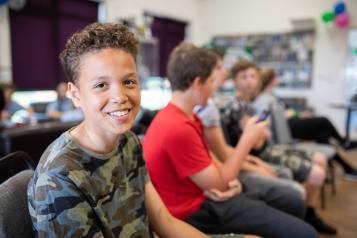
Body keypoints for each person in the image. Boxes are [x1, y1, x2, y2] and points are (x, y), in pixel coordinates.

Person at [27, 22, 210, 238]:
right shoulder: (59, 178)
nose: (120, 97)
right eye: (101, 85)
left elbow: (163, 220)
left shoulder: (128, 141)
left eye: (129, 81)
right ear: (75, 95)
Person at [143, 43, 318, 238]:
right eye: (211, 81)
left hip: (206, 196)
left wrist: (230, 183)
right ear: (197, 83)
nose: (213, 88)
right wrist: (247, 140)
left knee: (292, 201)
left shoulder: (187, 117)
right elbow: (218, 184)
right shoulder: (178, 128)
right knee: (304, 232)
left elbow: (212, 162)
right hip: (197, 211)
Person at [221, 60, 337, 235]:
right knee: (318, 173)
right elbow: (257, 142)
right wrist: (261, 134)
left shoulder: (249, 103)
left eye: (252, 76)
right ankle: (304, 214)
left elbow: (262, 134)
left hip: (267, 147)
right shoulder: (237, 105)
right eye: (243, 77)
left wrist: (262, 133)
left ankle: (309, 212)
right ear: (234, 80)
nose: (249, 81)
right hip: (260, 152)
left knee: (320, 159)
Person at [194, 52, 305, 197]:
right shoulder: (214, 107)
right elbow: (224, 154)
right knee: (294, 189)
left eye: (253, 77)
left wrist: (256, 161)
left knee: (286, 175)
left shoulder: (237, 103)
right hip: (234, 165)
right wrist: (256, 164)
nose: (224, 71)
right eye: (219, 67)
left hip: (241, 159)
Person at [254, 68, 357, 181]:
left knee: (322, 136)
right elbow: (262, 118)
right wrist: (274, 121)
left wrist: (295, 114)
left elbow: (279, 113)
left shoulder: (272, 96)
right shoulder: (264, 99)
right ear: (271, 80)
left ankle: (347, 168)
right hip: (286, 131)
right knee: (323, 121)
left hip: (289, 126)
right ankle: (344, 144)